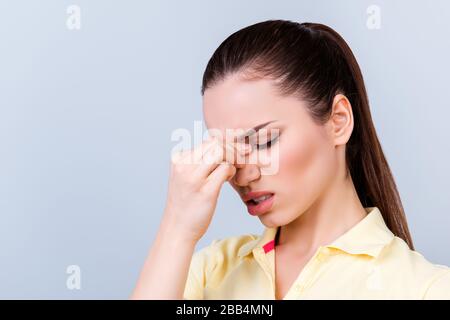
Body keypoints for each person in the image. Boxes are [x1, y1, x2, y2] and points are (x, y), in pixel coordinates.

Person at [130, 20, 450, 300]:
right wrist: (177, 226)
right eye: (228, 151)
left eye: (265, 141)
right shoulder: (211, 270)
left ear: (338, 121)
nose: (243, 176)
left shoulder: (424, 289)